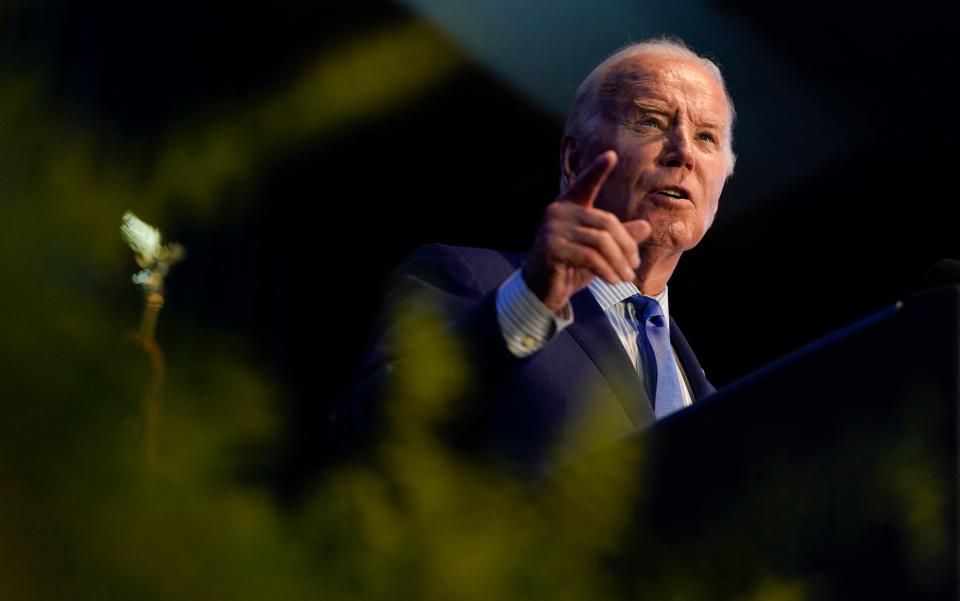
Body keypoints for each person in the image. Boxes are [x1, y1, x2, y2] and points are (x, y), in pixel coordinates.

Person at [334, 37, 736, 478]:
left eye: (706, 137)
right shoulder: (471, 279)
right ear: (574, 159)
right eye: (651, 122)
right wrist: (531, 302)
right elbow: (369, 439)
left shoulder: (712, 398)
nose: (683, 153)